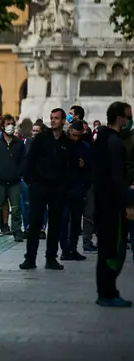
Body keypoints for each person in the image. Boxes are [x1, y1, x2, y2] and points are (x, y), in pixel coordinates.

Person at [93, 102, 133, 308]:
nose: (129, 121)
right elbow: (117, 177)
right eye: (128, 117)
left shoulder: (101, 138)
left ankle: (107, 291)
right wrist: (127, 203)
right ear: (119, 118)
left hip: (102, 202)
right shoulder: (114, 142)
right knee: (113, 249)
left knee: (106, 249)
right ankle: (107, 292)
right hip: (112, 205)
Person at [21, 108, 71, 271]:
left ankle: (51, 258)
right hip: (39, 186)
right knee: (34, 223)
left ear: (64, 121)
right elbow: (30, 160)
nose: (54, 120)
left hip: (58, 188)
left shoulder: (66, 142)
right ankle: (30, 258)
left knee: (55, 223)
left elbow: (69, 167)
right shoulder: (41, 138)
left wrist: (64, 186)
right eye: (52, 118)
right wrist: (32, 182)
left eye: (57, 118)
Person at [60, 121, 92, 261]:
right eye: (74, 135)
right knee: (64, 219)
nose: (76, 139)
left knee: (75, 220)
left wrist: (84, 167)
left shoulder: (85, 148)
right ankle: (65, 249)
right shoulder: (63, 145)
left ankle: (72, 248)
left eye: (79, 136)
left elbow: (91, 169)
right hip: (63, 189)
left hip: (78, 188)